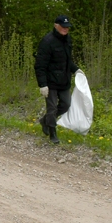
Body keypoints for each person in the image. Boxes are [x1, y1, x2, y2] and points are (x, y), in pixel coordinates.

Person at [35, 15, 82, 145]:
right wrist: (43, 84)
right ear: (56, 26)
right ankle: (52, 132)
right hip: (50, 81)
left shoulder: (68, 40)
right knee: (52, 108)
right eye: (63, 27)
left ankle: (45, 121)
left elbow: (67, 60)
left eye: (67, 27)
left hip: (64, 80)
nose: (65, 29)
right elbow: (40, 65)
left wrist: (76, 70)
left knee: (66, 104)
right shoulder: (47, 41)